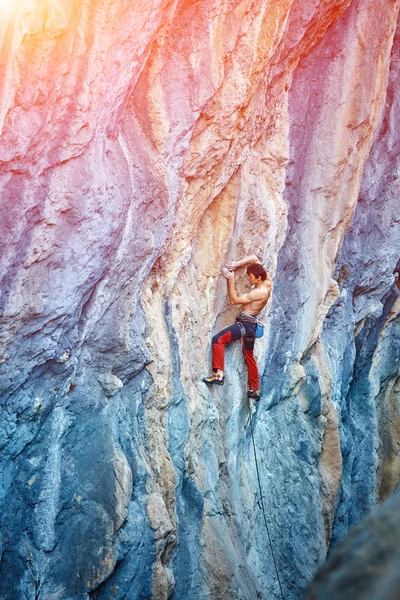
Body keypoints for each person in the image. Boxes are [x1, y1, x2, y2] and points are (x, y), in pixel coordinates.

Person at [202, 255, 272, 400]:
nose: (248, 279)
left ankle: (219, 375)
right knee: (249, 357)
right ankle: (254, 390)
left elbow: (234, 300)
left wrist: (231, 280)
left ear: (258, 278)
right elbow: (254, 258)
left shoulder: (258, 292)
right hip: (252, 325)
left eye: (251, 277)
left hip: (245, 325)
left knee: (218, 339)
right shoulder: (267, 281)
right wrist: (237, 263)